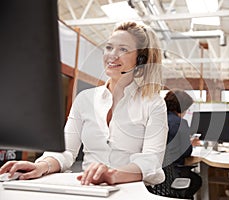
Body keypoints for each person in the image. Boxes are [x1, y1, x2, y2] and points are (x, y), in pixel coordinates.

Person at [0, 21, 168, 186]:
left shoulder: (153, 103)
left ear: (141, 59)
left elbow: (151, 161)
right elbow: (66, 150)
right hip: (88, 189)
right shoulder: (85, 99)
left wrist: (112, 175)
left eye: (123, 49)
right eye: (109, 47)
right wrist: (41, 166)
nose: (112, 55)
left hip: (131, 193)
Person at [163, 89, 199, 166]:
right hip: (173, 170)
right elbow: (186, 152)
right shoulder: (181, 123)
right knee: (197, 178)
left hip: (159, 169)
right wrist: (190, 145)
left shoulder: (159, 119)